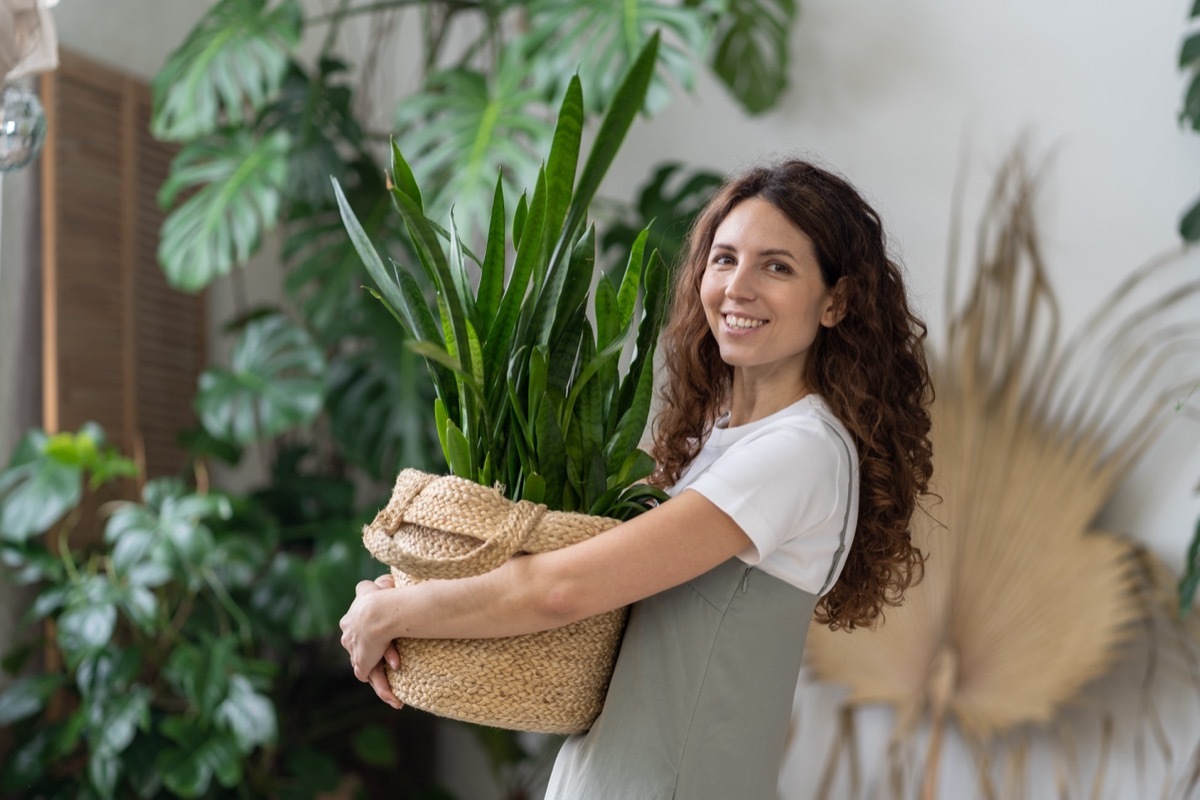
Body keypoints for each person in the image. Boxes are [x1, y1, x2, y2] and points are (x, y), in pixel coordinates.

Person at [340, 158, 934, 799]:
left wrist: (395, 612)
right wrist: (404, 595)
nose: (738, 286)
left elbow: (564, 589)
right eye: (724, 258)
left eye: (778, 266)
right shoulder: (723, 440)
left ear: (836, 302)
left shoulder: (798, 451)